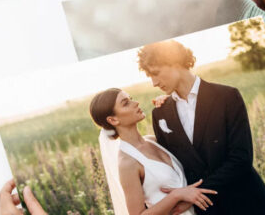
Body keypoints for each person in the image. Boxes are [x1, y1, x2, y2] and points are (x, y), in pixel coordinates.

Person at [138, 40, 265, 215]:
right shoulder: (160, 114)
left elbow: (241, 158)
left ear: (174, 62)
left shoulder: (227, 96)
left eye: (156, 73)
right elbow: (172, 167)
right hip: (206, 210)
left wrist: (195, 194)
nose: (153, 82)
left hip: (246, 202)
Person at [90, 88, 218, 215]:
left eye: (131, 99)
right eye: (126, 103)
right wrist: (176, 195)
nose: (136, 103)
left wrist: (169, 104)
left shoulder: (153, 140)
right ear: (113, 120)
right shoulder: (127, 162)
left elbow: (190, 150)